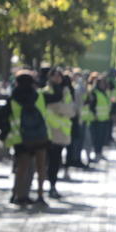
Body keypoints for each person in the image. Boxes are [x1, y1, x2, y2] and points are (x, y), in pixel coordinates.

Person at [5, 70, 62, 207]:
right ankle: (40, 195)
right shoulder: (39, 96)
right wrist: (55, 83)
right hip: (40, 137)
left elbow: (4, 117)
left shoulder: (14, 98)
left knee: (21, 168)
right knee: (41, 167)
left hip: (22, 137)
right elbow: (57, 97)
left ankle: (17, 194)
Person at [41, 68, 75, 200]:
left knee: (56, 161)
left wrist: (59, 108)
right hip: (48, 131)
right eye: (54, 76)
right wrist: (61, 108)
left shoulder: (66, 92)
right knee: (46, 161)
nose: (57, 78)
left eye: (59, 76)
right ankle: (42, 187)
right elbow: (47, 107)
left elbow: (71, 110)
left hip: (61, 132)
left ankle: (52, 186)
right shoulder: (45, 91)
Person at [85, 75, 114, 162]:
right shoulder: (94, 93)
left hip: (104, 118)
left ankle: (100, 152)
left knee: (102, 138)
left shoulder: (104, 92)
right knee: (97, 138)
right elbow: (91, 106)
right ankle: (97, 153)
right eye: (101, 83)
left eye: (103, 83)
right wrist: (95, 115)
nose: (103, 85)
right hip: (97, 119)